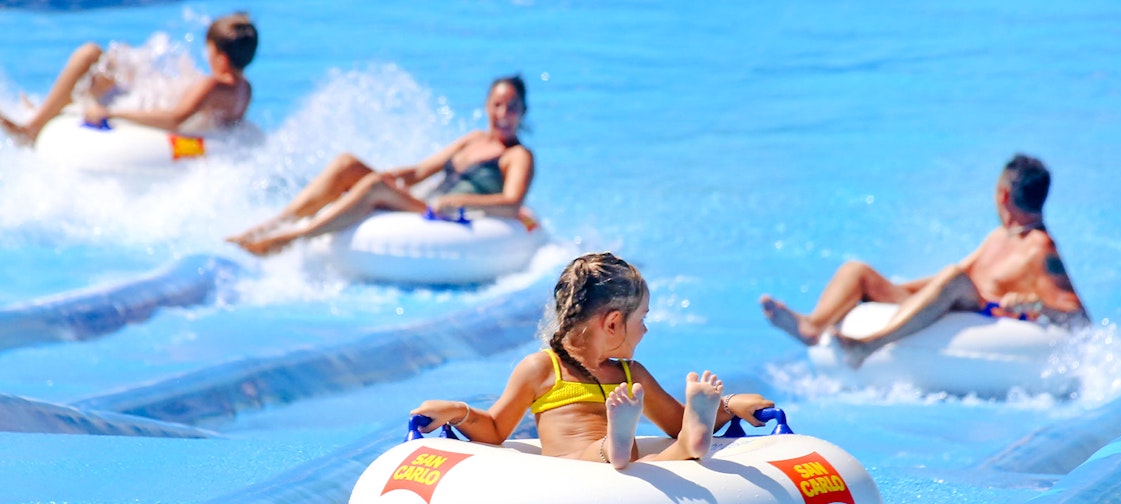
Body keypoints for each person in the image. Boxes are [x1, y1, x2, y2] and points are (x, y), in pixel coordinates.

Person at [412, 252, 774, 469]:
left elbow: (678, 421)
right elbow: (494, 429)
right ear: (614, 323)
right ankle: (619, 442)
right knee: (609, 453)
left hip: (627, 474)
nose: (645, 331)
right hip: (574, 475)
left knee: (653, 459)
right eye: (642, 319)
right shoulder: (542, 368)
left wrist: (728, 406)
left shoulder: (632, 375)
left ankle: (679, 447)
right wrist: (458, 411)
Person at [760, 154, 1089, 368]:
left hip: (979, 314)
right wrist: (887, 290)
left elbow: (1080, 319)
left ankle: (868, 346)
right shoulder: (999, 237)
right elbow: (952, 277)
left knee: (954, 277)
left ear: (1002, 195)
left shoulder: (1042, 251)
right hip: (950, 302)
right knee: (856, 270)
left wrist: (1037, 306)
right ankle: (812, 326)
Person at [226, 75, 535, 256]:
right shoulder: (473, 140)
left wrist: (456, 202)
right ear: (486, 106)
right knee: (347, 164)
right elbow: (419, 171)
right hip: (424, 203)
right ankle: (273, 224)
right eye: (497, 105)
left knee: (374, 187)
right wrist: (393, 175)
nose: (503, 113)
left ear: (522, 112)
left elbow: (511, 203)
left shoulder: (517, 156)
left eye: (512, 107)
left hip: (442, 216)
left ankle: (290, 239)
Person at [0, 13, 257, 144]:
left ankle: (33, 128)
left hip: (144, 118)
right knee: (121, 60)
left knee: (89, 55)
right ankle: (52, 109)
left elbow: (174, 118)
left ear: (220, 57)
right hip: (156, 105)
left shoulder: (211, 86)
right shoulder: (244, 90)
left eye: (208, 49)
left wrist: (109, 114)